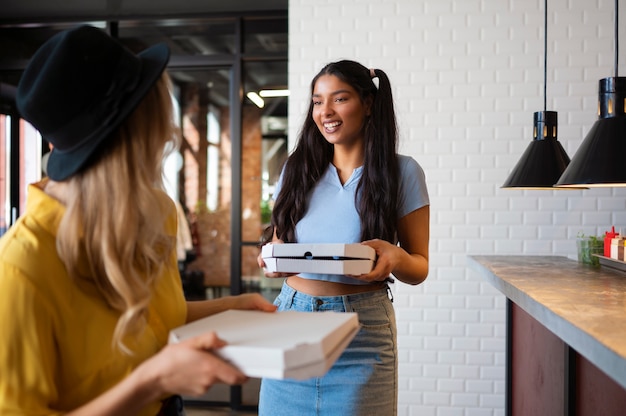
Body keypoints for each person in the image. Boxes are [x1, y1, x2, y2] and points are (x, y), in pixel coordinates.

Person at [0, 25, 276, 416]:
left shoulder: (154, 215)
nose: (170, 135)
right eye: (162, 120)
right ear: (138, 134)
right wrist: (153, 381)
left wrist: (235, 306)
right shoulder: (20, 270)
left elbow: (157, 318)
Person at [257, 60, 430, 415]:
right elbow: (277, 244)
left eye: (339, 99)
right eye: (318, 102)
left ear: (368, 104)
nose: (326, 112)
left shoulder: (403, 172)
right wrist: (272, 259)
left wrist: (395, 258)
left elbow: (419, 266)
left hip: (361, 334)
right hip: (291, 321)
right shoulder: (296, 169)